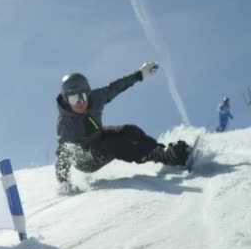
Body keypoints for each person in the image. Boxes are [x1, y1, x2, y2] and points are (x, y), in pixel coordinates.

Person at [55, 62, 192, 193]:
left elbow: (116, 87)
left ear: (88, 93)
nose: (80, 103)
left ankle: (162, 152)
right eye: (74, 99)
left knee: (128, 130)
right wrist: (64, 182)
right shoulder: (65, 124)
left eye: (82, 97)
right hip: (86, 159)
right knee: (113, 144)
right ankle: (161, 156)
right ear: (67, 100)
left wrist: (139, 75)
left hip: (97, 136)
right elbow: (63, 154)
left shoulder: (96, 98)